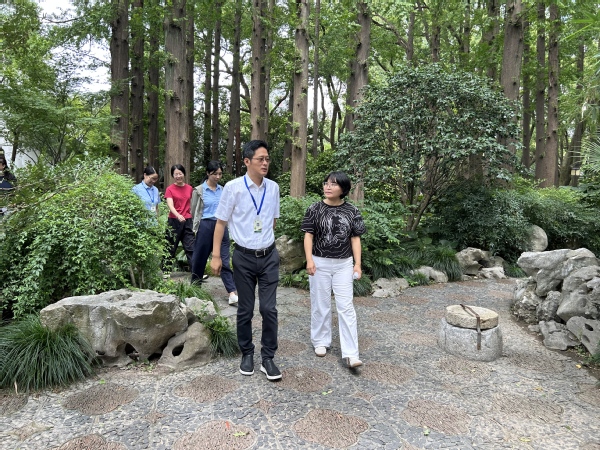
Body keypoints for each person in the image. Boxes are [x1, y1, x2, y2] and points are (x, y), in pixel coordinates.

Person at [210, 140, 282, 381]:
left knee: (269, 309)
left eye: (267, 159)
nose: (265, 163)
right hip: (243, 257)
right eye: (261, 159)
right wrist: (217, 256)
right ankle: (247, 354)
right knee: (245, 309)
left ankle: (268, 357)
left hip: (269, 256)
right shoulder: (233, 188)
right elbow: (221, 222)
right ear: (247, 161)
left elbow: (272, 220)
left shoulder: (273, 188)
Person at [301, 171, 367, 368]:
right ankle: (320, 341)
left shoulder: (352, 211)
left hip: (343, 264)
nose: (328, 187)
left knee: (346, 306)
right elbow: (308, 236)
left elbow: (355, 238)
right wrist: (309, 260)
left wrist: (357, 263)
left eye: (333, 184)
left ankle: (351, 353)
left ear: (343, 189)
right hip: (319, 262)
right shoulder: (314, 209)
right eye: (326, 183)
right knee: (320, 303)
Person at [191, 161, 238, 305]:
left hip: (221, 226)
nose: (218, 177)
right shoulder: (199, 190)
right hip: (205, 225)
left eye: (220, 174)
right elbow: (193, 210)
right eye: (215, 174)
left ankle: (232, 292)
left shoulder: (223, 190)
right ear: (208, 173)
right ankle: (194, 289)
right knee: (199, 259)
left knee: (224, 259)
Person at [165, 164, 195, 270]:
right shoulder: (169, 189)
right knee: (170, 246)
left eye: (180, 173)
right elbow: (170, 205)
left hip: (187, 220)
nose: (178, 176)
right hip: (174, 220)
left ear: (184, 174)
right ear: (173, 176)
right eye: (176, 174)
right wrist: (178, 215)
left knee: (191, 247)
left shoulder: (190, 188)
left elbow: (192, 204)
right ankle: (166, 271)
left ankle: (196, 272)